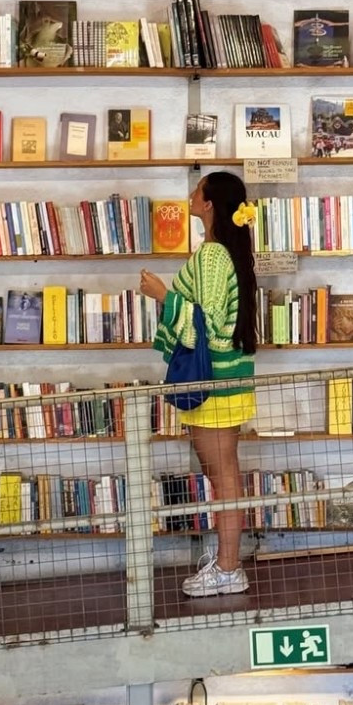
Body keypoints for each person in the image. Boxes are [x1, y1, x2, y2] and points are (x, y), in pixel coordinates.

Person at [140, 171, 258, 598]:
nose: (190, 195)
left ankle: (229, 567)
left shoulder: (212, 255)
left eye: (197, 190)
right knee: (222, 473)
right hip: (227, 378)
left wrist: (162, 295)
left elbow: (204, 320)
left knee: (223, 476)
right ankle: (227, 562)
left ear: (209, 204)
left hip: (214, 383)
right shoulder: (229, 252)